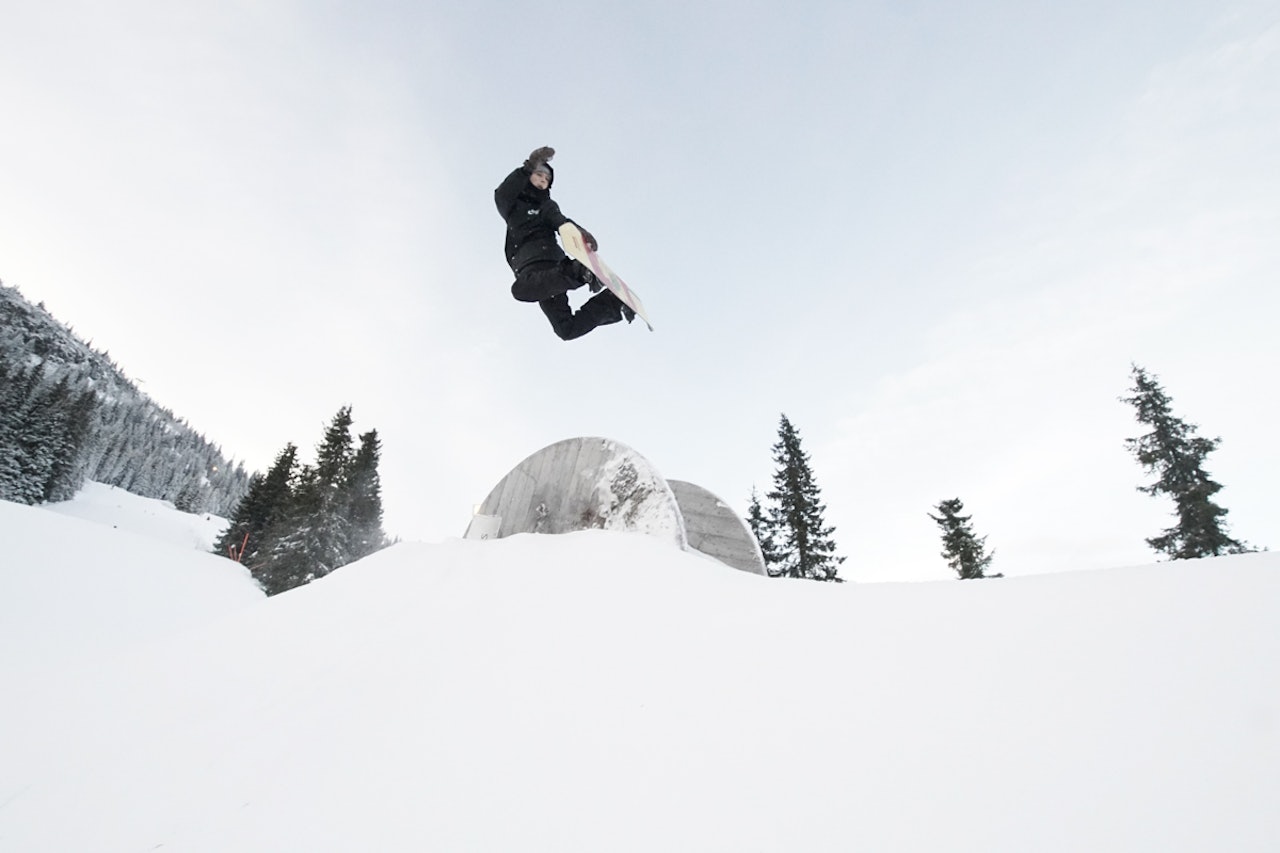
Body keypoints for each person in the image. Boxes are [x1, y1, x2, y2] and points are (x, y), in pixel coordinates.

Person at [494, 146, 633, 340]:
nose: (543, 180)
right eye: (539, 175)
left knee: (520, 290)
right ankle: (612, 302)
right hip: (544, 279)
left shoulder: (546, 206)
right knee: (566, 330)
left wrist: (581, 235)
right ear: (528, 176)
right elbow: (502, 193)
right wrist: (528, 167)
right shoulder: (513, 207)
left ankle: (579, 272)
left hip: (547, 263)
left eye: (547, 179)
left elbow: (560, 221)